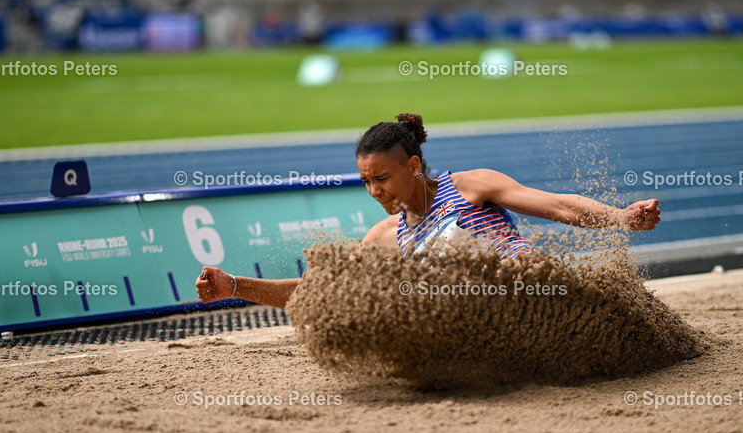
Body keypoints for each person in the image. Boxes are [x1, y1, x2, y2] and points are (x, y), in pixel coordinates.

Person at [196, 113, 660, 308]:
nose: (374, 191)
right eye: (365, 182)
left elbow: (557, 206)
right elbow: (317, 289)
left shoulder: (468, 186)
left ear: (413, 166)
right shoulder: (384, 236)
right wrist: (236, 286)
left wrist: (620, 217)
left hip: (533, 295)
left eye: (382, 179)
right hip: (472, 322)